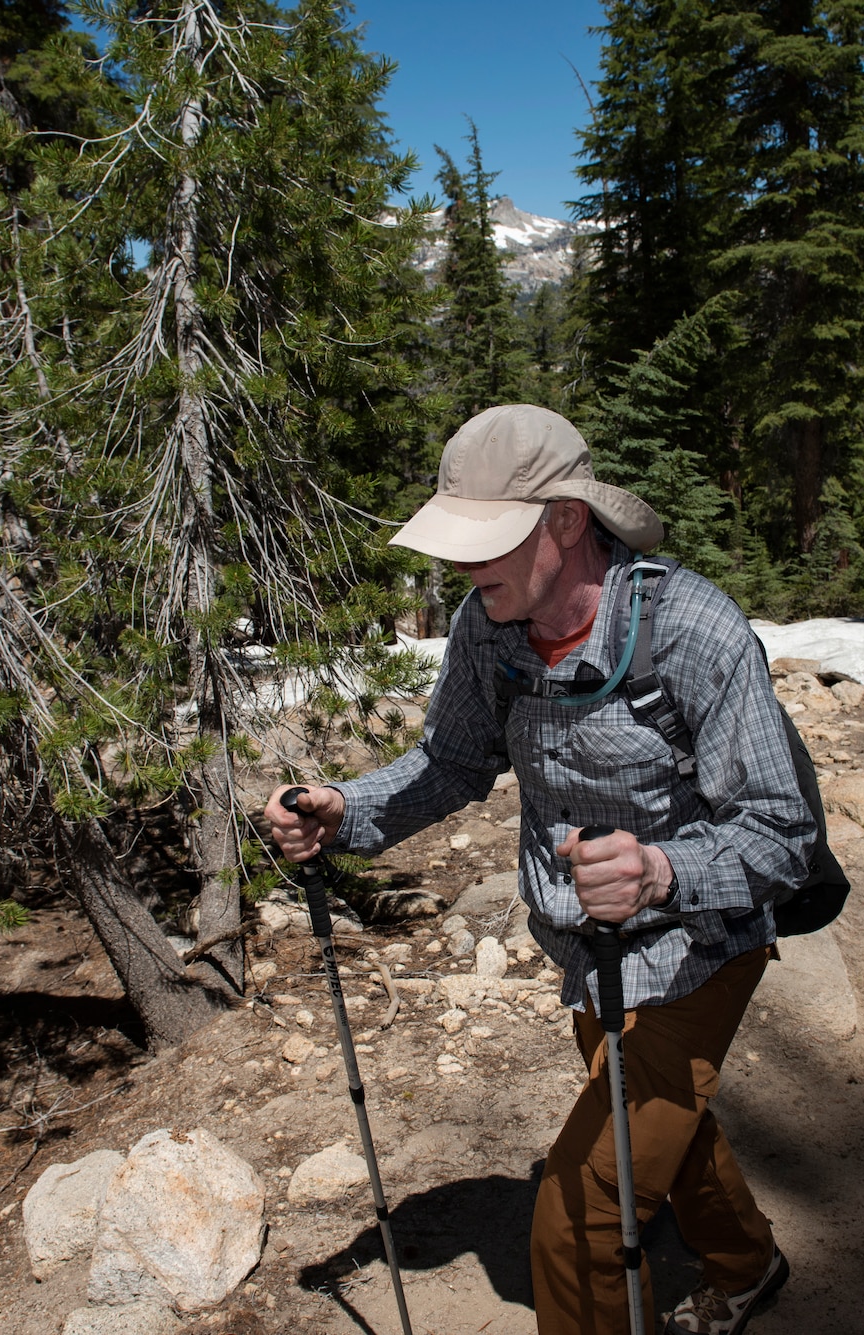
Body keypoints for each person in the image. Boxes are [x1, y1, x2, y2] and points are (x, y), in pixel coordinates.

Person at [265, 404, 815, 1335]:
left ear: (565, 520)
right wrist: (345, 809)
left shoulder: (693, 631)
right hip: (585, 948)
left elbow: (782, 831)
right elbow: (451, 761)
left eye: (488, 541)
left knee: (582, 1214)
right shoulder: (490, 625)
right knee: (664, 1138)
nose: (463, 566)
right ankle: (749, 1264)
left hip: (700, 943)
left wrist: (659, 871)